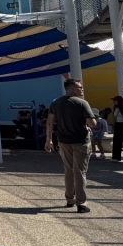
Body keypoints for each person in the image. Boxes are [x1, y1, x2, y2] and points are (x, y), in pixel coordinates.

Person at [45, 78, 96, 213]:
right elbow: (92, 124)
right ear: (71, 88)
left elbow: (50, 121)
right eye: (79, 87)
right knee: (80, 172)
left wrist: (49, 140)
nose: (82, 89)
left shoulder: (56, 102)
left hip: (63, 141)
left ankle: (69, 199)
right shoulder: (82, 103)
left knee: (69, 170)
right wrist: (88, 124)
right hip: (81, 141)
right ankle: (81, 203)